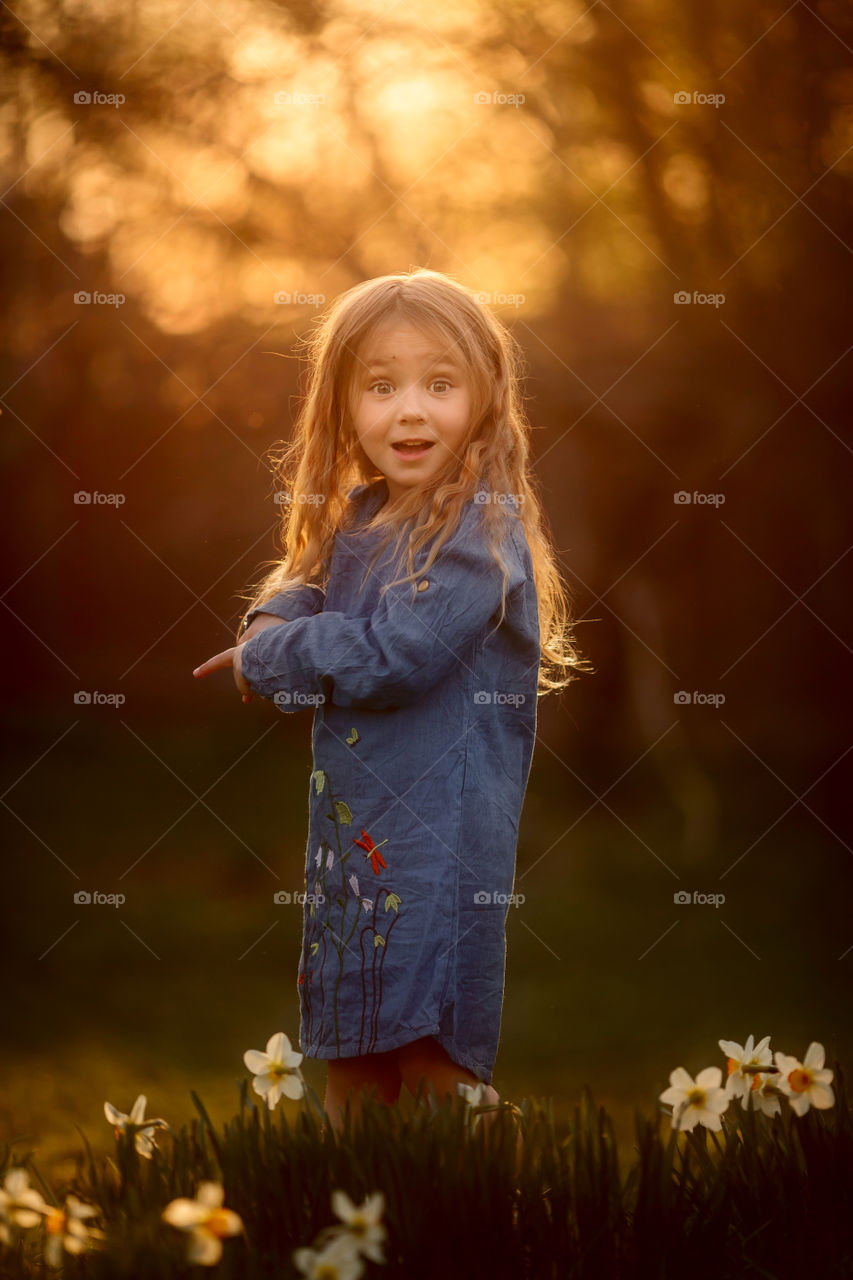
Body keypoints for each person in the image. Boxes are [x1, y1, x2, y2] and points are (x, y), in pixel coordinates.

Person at [193, 268, 587, 1132]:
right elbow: (301, 596)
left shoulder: (479, 532)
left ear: (483, 399)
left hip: (438, 848)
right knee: (351, 1065)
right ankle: (350, 1233)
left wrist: (273, 653)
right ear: (343, 405)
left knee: (433, 1063)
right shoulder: (359, 520)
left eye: (438, 385)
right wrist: (270, 626)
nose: (409, 410)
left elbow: (395, 656)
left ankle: (484, 1235)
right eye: (381, 386)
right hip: (353, 847)